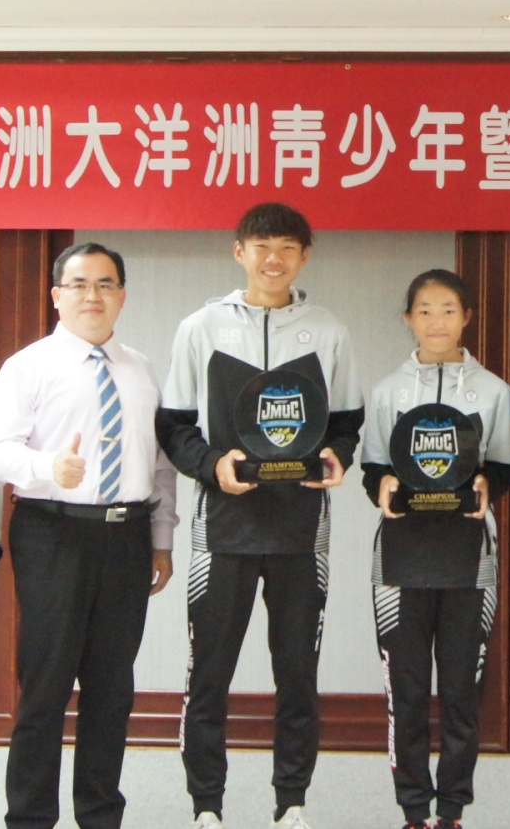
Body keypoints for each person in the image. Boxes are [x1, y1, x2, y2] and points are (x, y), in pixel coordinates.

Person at [157, 203, 363, 829]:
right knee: (209, 673)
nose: (274, 259)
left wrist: (338, 455)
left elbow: (346, 423)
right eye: (262, 246)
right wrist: (211, 464)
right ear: (239, 252)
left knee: (297, 673)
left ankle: (291, 802)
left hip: (302, 529)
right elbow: (174, 425)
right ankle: (207, 806)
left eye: (287, 248)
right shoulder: (201, 328)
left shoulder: (327, 330)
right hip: (224, 528)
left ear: (304, 256)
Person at [0, 242, 178, 829]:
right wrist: (48, 468)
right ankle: (30, 818)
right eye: (79, 284)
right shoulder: (28, 365)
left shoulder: (141, 369)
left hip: (127, 537)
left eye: (105, 284)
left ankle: (99, 814)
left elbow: (160, 465)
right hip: (53, 533)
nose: (92, 295)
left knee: (111, 689)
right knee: (45, 687)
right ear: (56, 295)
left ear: (122, 295)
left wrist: (162, 539)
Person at [358, 269, 510, 829]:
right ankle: (412, 809)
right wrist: (380, 484)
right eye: (424, 310)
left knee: (460, 693)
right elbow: (374, 467)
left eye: (448, 309)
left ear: (466, 317)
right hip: (400, 559)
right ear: (408, 318)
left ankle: (451, 810)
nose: (436, 321)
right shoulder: (387, 390)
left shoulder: (493, 390)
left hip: (469, 557)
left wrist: (489, 485)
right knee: (404, 694)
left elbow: (503, 465)